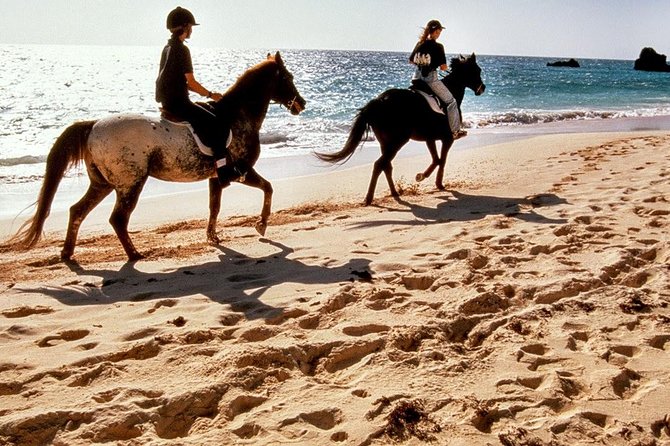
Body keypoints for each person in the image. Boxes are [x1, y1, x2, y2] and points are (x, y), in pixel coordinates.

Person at [156, 6, 242, 186]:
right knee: (217, 124)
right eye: (190, 27)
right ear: (185, 27)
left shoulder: (168, 47)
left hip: (168, 100)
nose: (191, 30)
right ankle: (223, 171)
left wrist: (207, 95)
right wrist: (211, 94)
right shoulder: (181, 49)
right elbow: (191, 82)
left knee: (207, 109)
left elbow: (183, 83)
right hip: (179, 103)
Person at [409, 19, 467, 140]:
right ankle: (455, 131)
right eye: (439, 31)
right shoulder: (438, 46)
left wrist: (422, 62)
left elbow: (411, 60)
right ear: (434, 31)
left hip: (416, 78)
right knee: (451, 102)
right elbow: (443, 67)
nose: (439, 33)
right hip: (430, 79)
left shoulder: (419, 43)